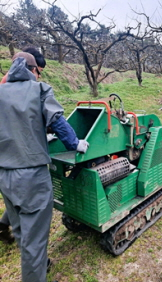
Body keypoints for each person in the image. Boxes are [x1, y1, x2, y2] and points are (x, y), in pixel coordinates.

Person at [0, 52, 89, 281]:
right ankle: (34, 271)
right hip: (31, 176)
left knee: (20, 228)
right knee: (35, 236)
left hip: (4, 175)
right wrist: (76, 143)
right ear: (33, 70)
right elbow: (57, 119)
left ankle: (36, 263)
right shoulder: (39, 90)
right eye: (39, 72)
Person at [0, 47, 47, 243]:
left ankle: (6, 227)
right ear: (32, 68)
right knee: (26, 200)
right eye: (39, 71)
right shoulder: (9, 86)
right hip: (18, 153)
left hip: (7, 163)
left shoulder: (11, 82)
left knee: (15, 199)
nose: (39, 76)